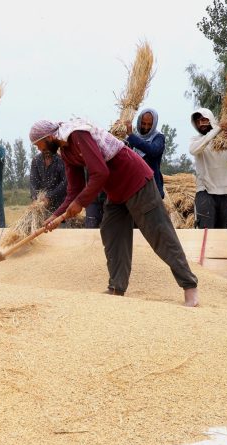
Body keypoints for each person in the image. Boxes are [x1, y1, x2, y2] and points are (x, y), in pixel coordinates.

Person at [29, 118, 199, 307]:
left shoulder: (78, 134)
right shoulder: (66, 152)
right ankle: (117, 288)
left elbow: (100, 172)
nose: (39, 149)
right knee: (112, 232)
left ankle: (189, 286)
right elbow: (75, 190)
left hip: (136, 181)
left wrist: (80, 203)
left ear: (49, 137)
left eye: (38, 144)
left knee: (159, 233)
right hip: (116, 192)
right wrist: (55, 216)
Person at [188, 108, 227, 229]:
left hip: (226, 192)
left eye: (204, 120)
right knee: (205, 233)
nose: (201, 124)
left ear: (210, 119)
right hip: (205, 192)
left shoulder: (225, 138)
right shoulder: (197, 140)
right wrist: (218, 128)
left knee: (223, 234)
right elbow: (193, 150)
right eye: (197, 122)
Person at [124, 108, 165, 198]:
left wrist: (131, 136)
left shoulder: (159, 138)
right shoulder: (133, 138)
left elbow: (152, 150)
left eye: (149, 124)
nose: (146, 127)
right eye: (143, 123)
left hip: (152, 190)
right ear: (139, 122)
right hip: (135, 188)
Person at [29, 149, 66, 214]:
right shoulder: (36, 160)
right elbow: (33, 182)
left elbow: (65, 182)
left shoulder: (61, 159)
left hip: (61, 202)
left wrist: (49, 196)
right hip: (42, 202)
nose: (46, 149)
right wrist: (34, 198)